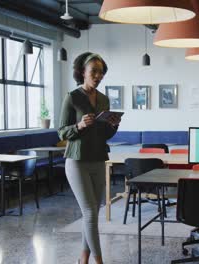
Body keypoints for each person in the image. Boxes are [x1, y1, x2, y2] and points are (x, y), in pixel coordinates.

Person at [58, 52, 121, 264]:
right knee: (91, 213)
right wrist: (79, 125)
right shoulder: (72, 97)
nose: (98, 75)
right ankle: (99, 261)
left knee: (92, 213)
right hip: (76, 161)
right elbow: (61, 132)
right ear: (83, 72)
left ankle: (83, 258)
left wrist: (113, 126)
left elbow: (104, 134)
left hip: (98, 159)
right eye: (93, 71)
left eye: (101, 72)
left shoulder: (103, 99)